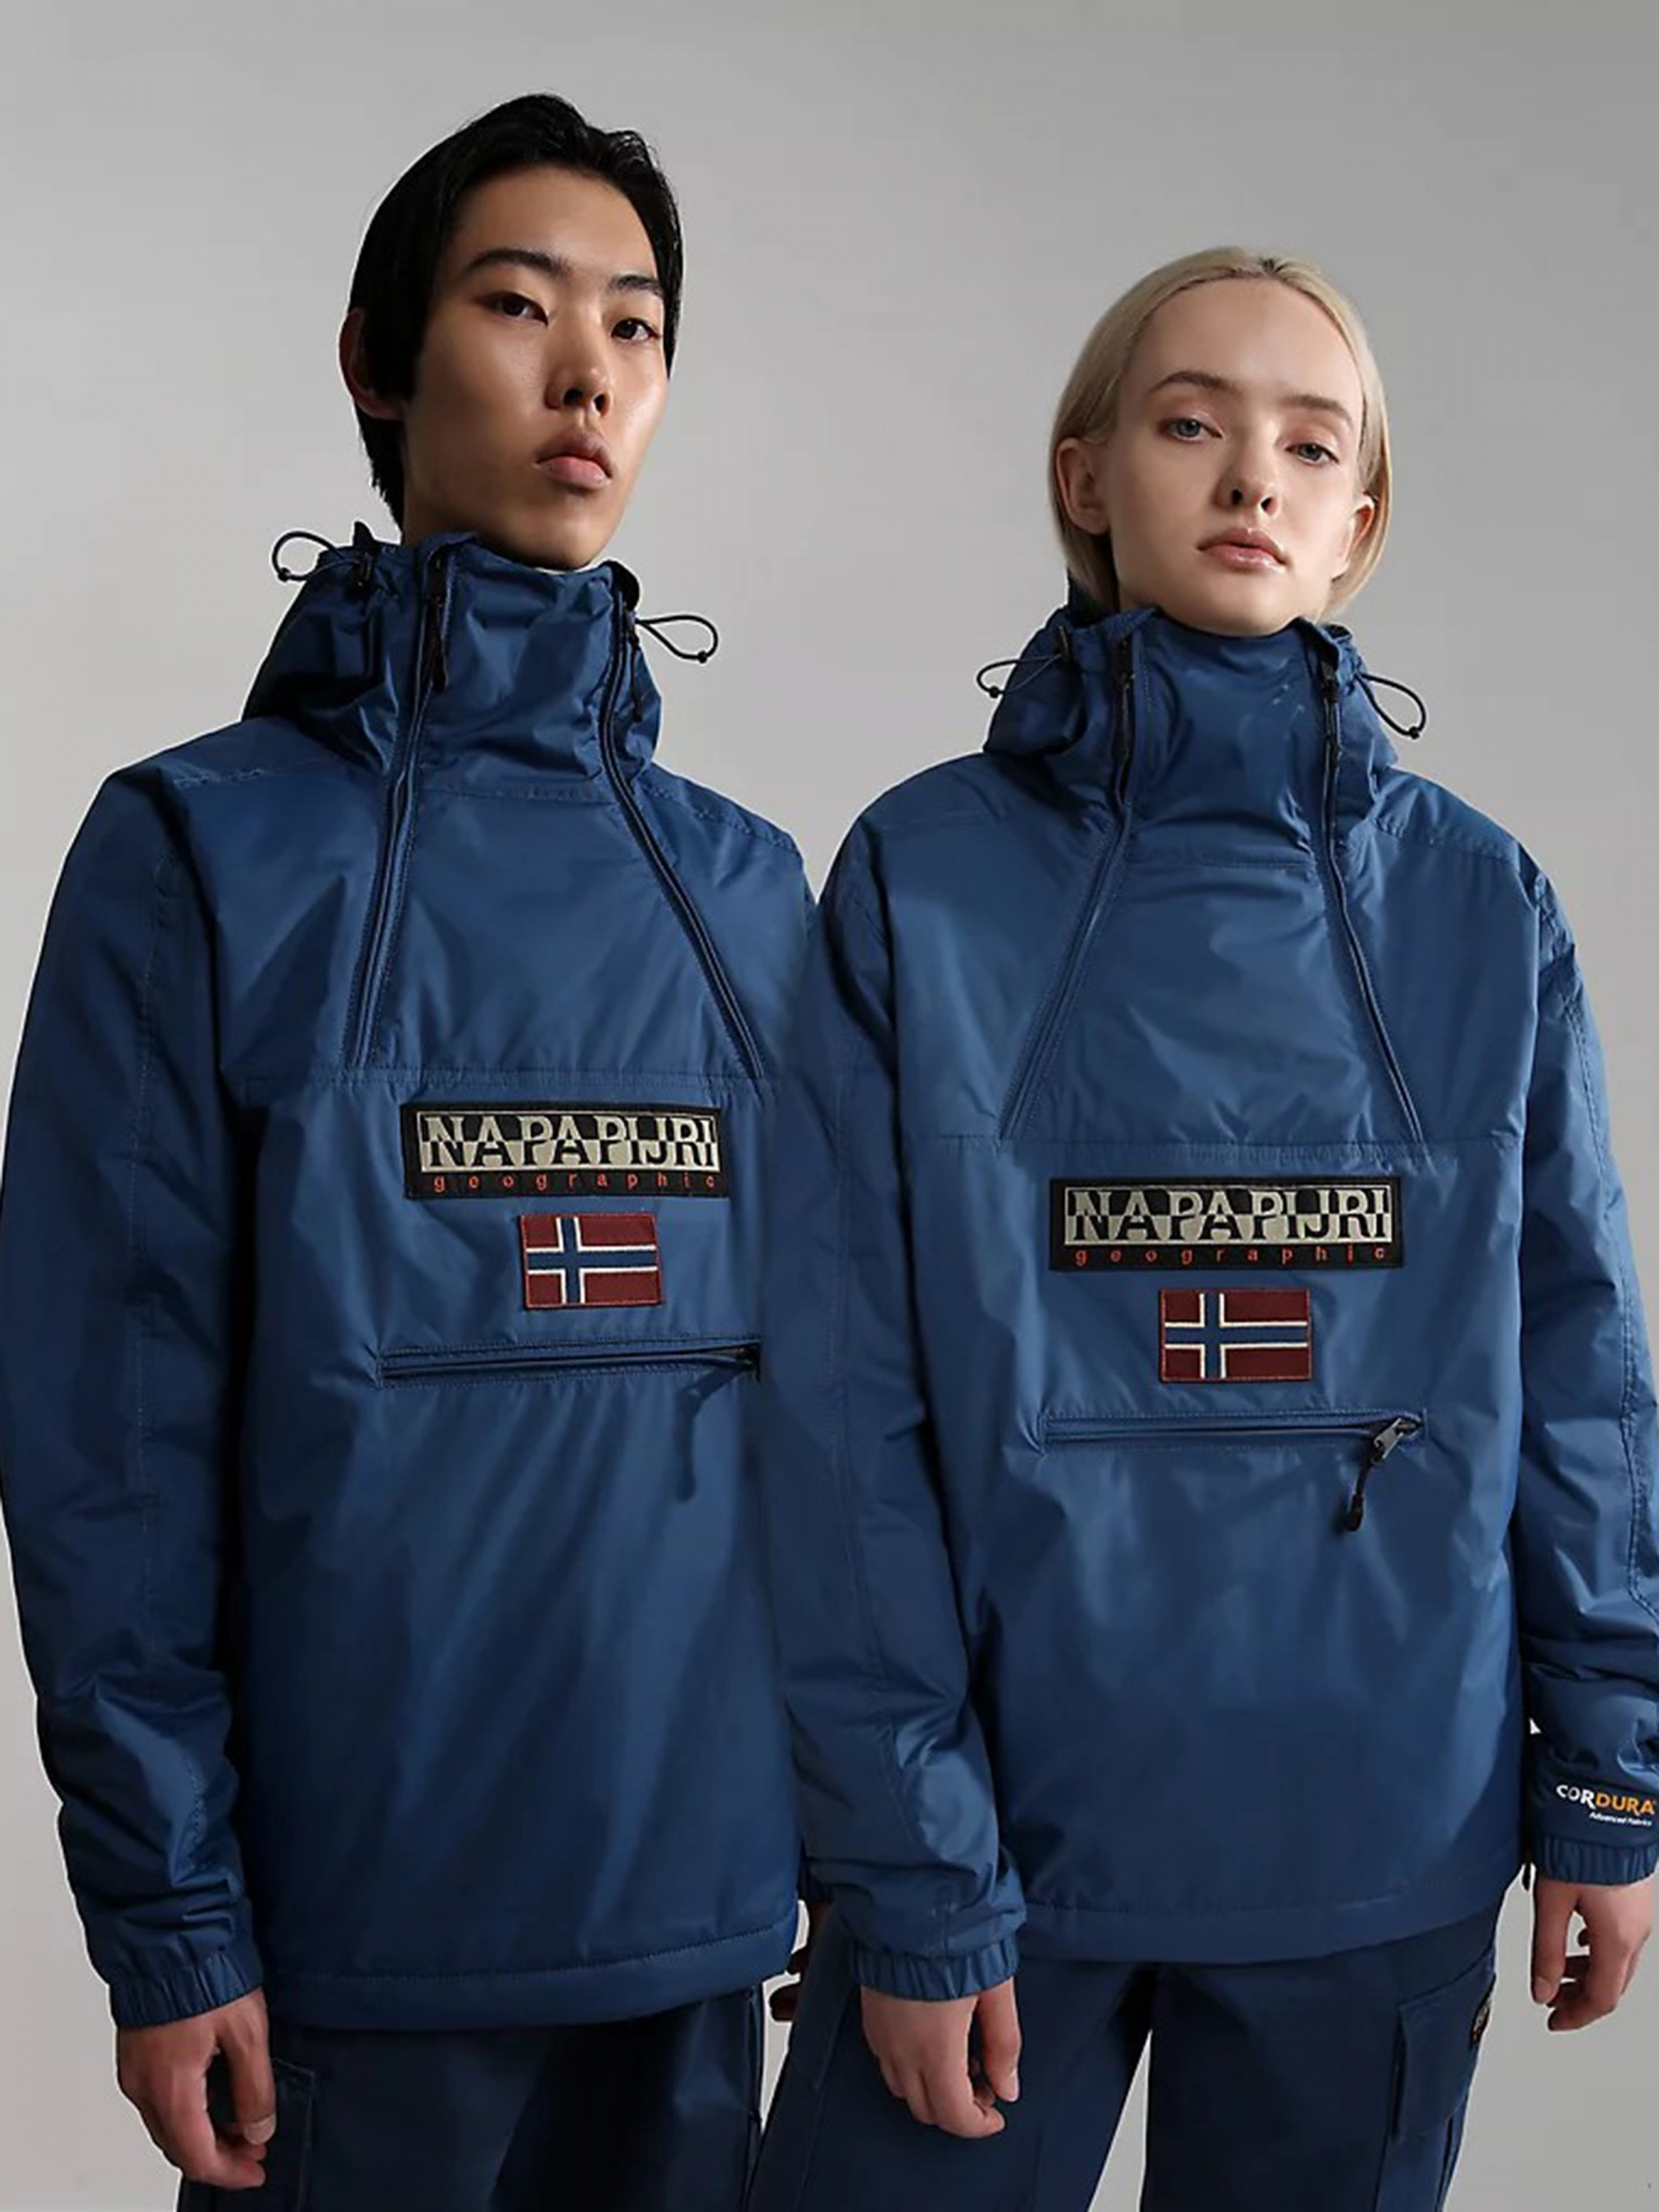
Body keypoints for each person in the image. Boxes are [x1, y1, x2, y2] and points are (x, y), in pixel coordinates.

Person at [750, 247, 1659, 2210]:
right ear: (1083, 476)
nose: (1249, 473)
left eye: (1307, 443)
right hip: (998, 1856)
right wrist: (905, 1866)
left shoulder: (1479, 906)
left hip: (1380, 1843)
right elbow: (835, 1413)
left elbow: (1578, 1371)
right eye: (1188, 422)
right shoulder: (920, 877)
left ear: (1360, 519)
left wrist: (1606, 1774)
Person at [0, 93, 810, 2212]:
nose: (586, 376)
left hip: (703, 1930)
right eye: (518, 305)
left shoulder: (748, 895)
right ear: (376, 359)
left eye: (635, 327)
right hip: (354, 1948)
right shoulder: (194, 850)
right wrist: (170, 1917)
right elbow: (110, 1438)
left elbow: (848, 1428)